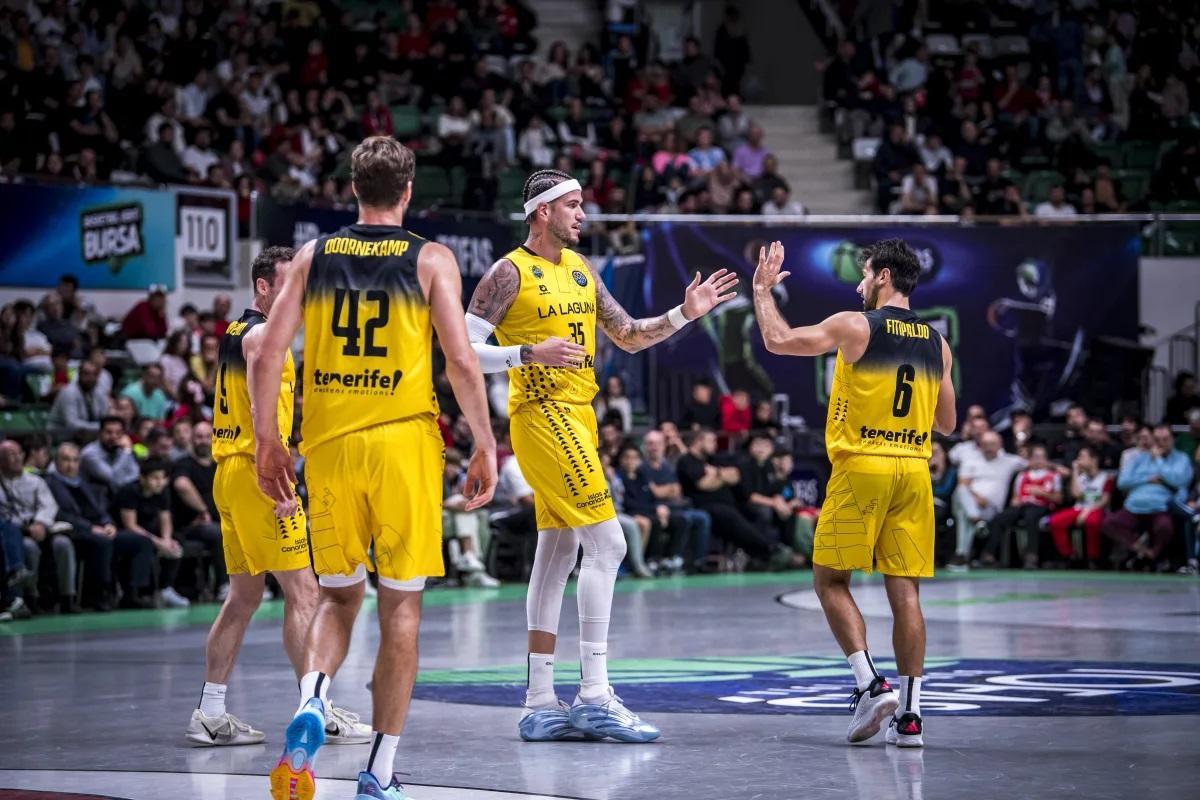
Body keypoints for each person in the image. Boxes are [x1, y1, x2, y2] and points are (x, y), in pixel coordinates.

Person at [252, 137, 497, 800]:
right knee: (402, 609)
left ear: (352, 189)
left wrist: (268, 442)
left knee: (336, 597)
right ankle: (379, 773)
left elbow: (265, 354)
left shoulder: (312, 255)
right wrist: (483, 443)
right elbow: (462, 362)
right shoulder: (432, 259)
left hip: (329, 450)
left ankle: (312, 699)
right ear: (409, 189)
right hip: (403, 446)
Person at [463, 167, 737, 744]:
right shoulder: (507, 272)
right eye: (573, 205)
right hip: (542, 414)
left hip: (580, 418)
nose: (583, 214)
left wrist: (687, 312)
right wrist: (525, 353)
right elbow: (463, 351)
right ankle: (594, 695)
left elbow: (631, 334)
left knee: (558, 551)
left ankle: (539, 701)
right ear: (542, 212)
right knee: (609, 543)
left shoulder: (584, 271)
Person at [752, 238, 957, 748]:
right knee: (906, 593)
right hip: (913, 471)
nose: (859, 284)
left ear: (884, 276)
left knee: (829, 580)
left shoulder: (855, 324)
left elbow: (778, 340)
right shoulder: (938, 342)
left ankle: (870, 684)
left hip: (862, 465)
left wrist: (761, 291)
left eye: (865, 275)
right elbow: (948, 423)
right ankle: (910, 719)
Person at [187, 246, 369, 749]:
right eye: (290, 285)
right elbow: (261, 385)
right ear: (264, 287)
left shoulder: (233, 331)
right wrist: (278, 478)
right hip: (257, 474)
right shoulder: (265, 336)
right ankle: (319, 708)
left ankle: (210, 712)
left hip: (228, 472)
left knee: (243, 598)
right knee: (306, 593)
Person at [1045, 445, 1111, 566]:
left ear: (1094, 459)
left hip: (1097, 509)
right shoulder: (1081, 477)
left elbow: (1104, 501)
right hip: (1079, 508)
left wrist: (1087, 511)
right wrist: (1075, 470)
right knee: (1055, 521)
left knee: (1091, 522)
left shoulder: (1106, 477)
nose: (1078, 460)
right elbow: (1076, 494)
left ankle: (1093, 558)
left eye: (1082, 457)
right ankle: (1069, 556)